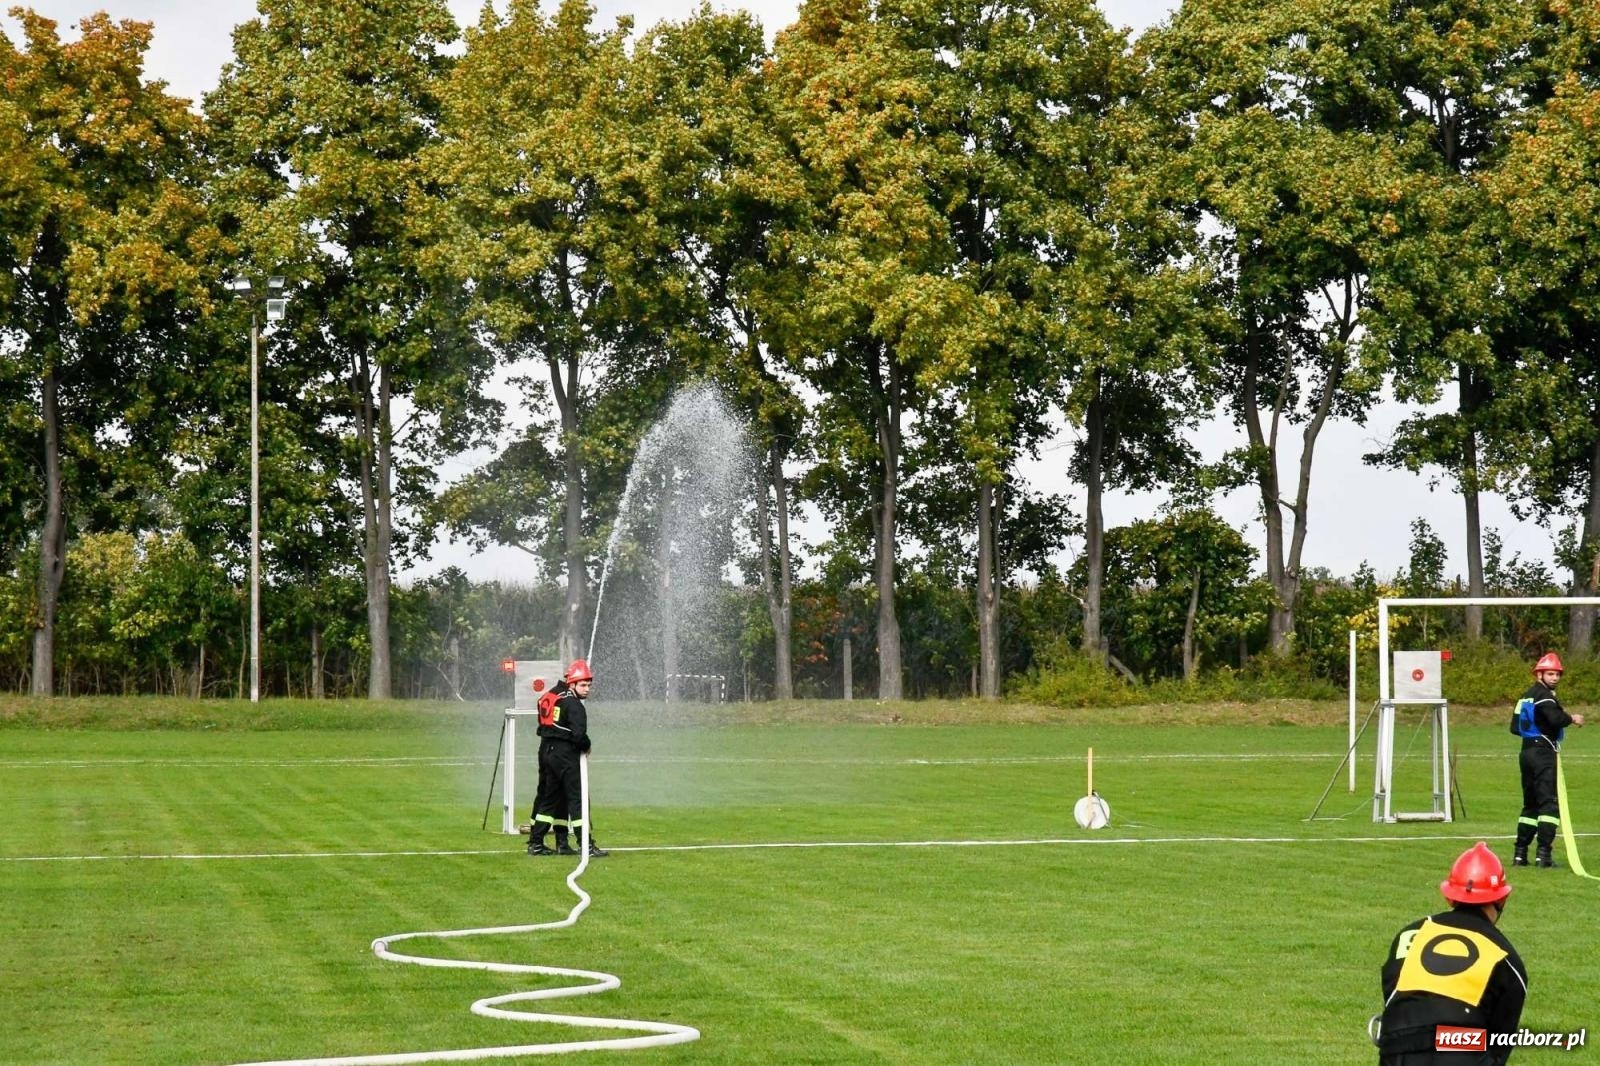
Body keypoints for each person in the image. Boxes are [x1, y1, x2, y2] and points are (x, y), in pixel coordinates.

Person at [1374, 842, 1526, 1065]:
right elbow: (1499, 1041)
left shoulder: (1412, 932)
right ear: (1502, 898)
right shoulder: (1506, 957)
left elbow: (1393, 995)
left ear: (1448, 896)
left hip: (1397, 1047)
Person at [527, 658, 608, 858]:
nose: (587, 689)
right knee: (578, 798)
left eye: (589, 685)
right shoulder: (574, 705)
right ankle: (586, 845)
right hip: (564, 755)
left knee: (551, 798)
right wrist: (587, 745)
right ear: (571, 683)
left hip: (546, 751)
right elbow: (579, 735)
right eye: (583, 684)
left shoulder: (550, 695)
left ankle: (538, 843)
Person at [1511, 652, 1585, 868]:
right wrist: (1572, 718)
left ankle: (1520, 854)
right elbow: (1555, 719)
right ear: (1539, 674)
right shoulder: (1545, 695)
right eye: (1550, 674)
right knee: (1549, 805)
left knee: (1530, 806)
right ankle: (1543, 856)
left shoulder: (1525, 696)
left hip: (1526, 753)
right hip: (1542, 753)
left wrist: (1535, 730)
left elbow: (1515, 728)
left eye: (1557, 674)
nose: (1555, 678)